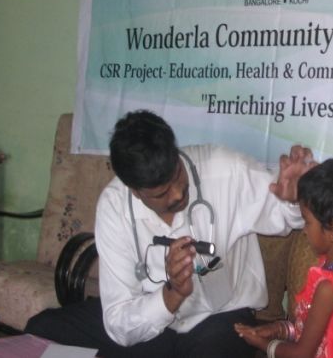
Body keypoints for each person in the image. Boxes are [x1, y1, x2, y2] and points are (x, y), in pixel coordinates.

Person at [25, 109, 315, 358]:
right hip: (156, 318)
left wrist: (294, 199)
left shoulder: (225, 170)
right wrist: (172, 294)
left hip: (221, 319)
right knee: (43, 330)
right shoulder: (114, 207)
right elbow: (118, 322)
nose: (178, 194)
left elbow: (284, 218)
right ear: (134, 190)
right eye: (162, 193)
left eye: (178, 175)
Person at [234, 159, 333, 358]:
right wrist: (278, 329)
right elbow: (316, 331)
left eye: (307, 222)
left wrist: (263, 344)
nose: (304, 231)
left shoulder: (328, 287)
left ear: (331, 228)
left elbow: (302, 354)